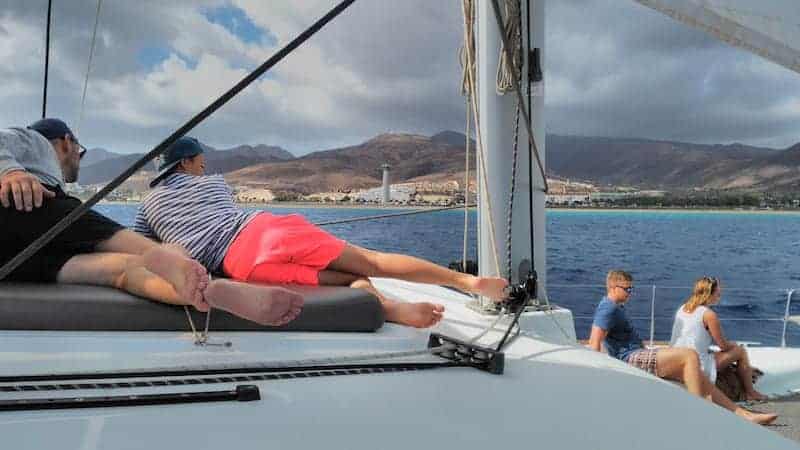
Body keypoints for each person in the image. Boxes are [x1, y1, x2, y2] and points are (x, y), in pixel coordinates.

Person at [134, 136, 510, 328]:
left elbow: (143, 249)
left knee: (347, 281)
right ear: (185, 163)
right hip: (265, 231)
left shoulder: (147, 205)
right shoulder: (214, 183)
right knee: (370, 264)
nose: (205, 169)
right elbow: (224, 213)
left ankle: (392, 311)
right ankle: (465, 281)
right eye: (199, 163)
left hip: (240, 266)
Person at [0, 119, 303, 326]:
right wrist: (10, 172)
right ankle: (180, 265)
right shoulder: (33, 140)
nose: (78, 160)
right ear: (67, 142)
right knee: (142, 250)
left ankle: (200, 291)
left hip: (14, 262)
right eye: (80, 152)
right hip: (26, 206)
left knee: (120, 273)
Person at [588, 270, 776, 425]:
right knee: (690, 356)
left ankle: (743, 414)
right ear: (613, 287)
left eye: (632, 288)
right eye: (627, 289)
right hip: (628, 358)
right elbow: (594, 341)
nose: (631, 292)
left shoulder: (616, 307)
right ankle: (696, 413)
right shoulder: (608, 308)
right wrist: (599, 378)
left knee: (697, 373)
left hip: (637, 353)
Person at [671, 276, 767, 401]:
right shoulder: (708, 315)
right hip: (696, 364)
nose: (719, 296)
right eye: (718, 293)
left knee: (714, 352)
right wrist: (734, 345)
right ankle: (750, 392)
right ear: (708, 294)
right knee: (740, 351)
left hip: (676, 359)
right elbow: (723, 346)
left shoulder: (683, 308)